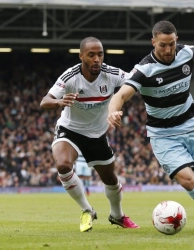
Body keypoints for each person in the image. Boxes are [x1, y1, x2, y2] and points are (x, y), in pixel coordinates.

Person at [107, 21, 194, 232]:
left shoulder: (186, 53)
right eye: (162, 45)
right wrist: (113, 111)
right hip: (163, 135)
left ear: (177, 40)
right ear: (153, 42)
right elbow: (121, 95)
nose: (167, 50)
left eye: (171, 44)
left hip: (193, 124)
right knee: (187, 180)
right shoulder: (144, 70)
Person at [40, 36, 139, 232]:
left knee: (110, 178)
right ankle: (87, 210)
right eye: (91, 55)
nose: (96, 59)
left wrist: (118, 106)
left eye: (100, 54)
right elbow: (45, 101)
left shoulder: (111, 74)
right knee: (63, 164)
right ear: (81, 56)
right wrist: (59, 102)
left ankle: (117, 215)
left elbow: (136, 83)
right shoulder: (70, 76)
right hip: (70, 130)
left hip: (97, 134)